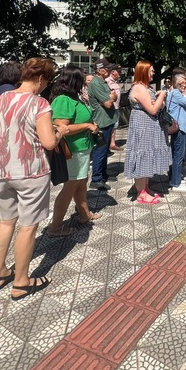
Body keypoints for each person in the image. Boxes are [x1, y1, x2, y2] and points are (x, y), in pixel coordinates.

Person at [0, 57, 68, 300]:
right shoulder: (39, 103)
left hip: (1, 170)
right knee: (28, 226)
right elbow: (48, 142)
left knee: (5, 222)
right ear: (41, 78)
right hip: (30, 171)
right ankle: (22, 281)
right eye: (47, 81)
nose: (46, 86)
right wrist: (60, 132)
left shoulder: (1, 100)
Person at [47, 65, 100, 237]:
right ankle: (55, 227)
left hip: (82, 149)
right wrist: (87, 125)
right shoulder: (64, 100)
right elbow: (61, 127)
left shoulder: (72, 98)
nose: (84, 82)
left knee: (81, 183)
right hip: (74, 150)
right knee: (70, 188)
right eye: (82, 79)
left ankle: (84, 214)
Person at [125, 61, 172, 204]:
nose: (153, 73)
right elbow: (153, 109)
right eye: (151, 71)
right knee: (142, 156)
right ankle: (141, 193)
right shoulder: (139, 88)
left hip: (149, 126)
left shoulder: (146, 88)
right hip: (143, 127)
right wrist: (162, 95)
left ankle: (145, 187)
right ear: (143, 72)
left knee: (147, 157)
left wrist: (159, 101)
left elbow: (158, 106)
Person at [88, 59, 119, 189]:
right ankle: (96, 179)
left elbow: (114, 97)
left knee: (105, 150)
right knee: (100, 150)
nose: (110, 70)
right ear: (100, 70)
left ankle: (103, 175)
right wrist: (110, 98)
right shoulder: (96, 83)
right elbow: (108, 103)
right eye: (107, 68)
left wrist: (111, 97)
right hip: (102, 121)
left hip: (108, 119)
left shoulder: (103, 82)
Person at [166, 73, 186, 192]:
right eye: (181, 83)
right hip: (179, 128)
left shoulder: (174, 93)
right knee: (178, 155)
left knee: (175, 153)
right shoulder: (176, 93)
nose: (184, 85)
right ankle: (176, 182)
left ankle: (173, 177)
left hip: (179, 127)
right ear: (175, 83)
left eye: (185, 83)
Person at [106, 66, 123, 151]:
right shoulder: (107, 81)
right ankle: (107, 144)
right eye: (118, 71)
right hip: (110, 107)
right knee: (110, 126)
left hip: (116, 107)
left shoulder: (116, 82)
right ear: (113, 72)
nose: (120, 73)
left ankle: (112, 143)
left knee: (115, 125)